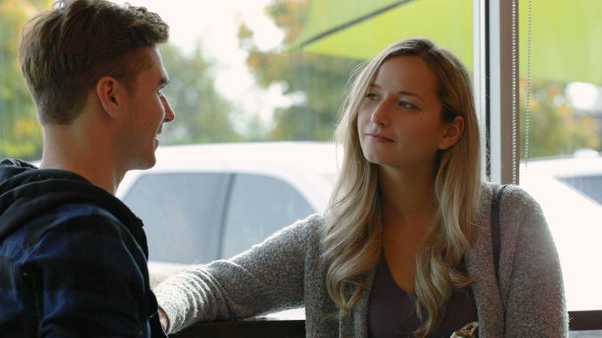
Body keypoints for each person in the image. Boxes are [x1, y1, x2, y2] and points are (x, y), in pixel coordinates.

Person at [154, 38, 567, 337]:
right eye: (371, 96)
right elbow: (216, 285)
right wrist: (158, 311)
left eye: (406, 103)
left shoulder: (511, 220)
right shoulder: (327, 240)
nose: (378, 116)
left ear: (451, 131)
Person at [0, 0, 174, 336]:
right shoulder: (86, 236)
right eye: (159, 90)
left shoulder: (0, 222)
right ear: (111, 96)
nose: (168, 112)